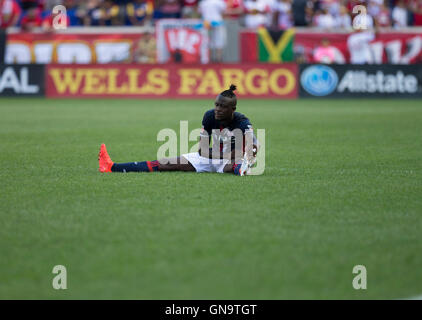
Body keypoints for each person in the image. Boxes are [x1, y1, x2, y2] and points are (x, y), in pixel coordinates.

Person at [98, 85, 258, 176]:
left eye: (222, 106)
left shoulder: (242, 122)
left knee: (236, 163)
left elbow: (254, 146)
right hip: (213, 156)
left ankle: (242, 168)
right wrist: (224, 155)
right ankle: (111, 166)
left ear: (233, 109)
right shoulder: (209, 116)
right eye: (216, 105)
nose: (217, 109)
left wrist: (244, 156)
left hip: (231, 160)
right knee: (164, 163)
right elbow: (202, 151)